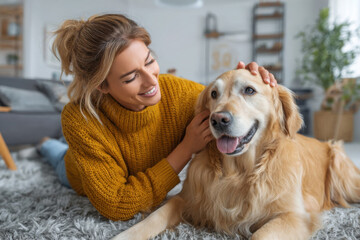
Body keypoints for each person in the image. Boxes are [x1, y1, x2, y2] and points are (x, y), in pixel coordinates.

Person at [38, 13, 277, 221]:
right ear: (103, 86)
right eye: (131, 77)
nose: (152, 81)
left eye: (149, 61)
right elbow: (117, 205)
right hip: (75, 174)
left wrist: (252, 83)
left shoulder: (181, 94)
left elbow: (231, 114)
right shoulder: (79, 120)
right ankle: (45, 144)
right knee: (55, 154)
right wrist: (186, 148)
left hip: (134, 168)